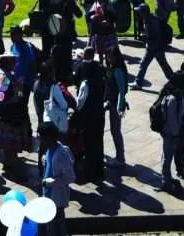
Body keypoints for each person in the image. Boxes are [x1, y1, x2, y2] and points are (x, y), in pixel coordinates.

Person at [73, 47, 107, 184]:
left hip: (86, 112)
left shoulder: (81, 67)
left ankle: (90, 171)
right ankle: (99, 170)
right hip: (98, 110)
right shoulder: (100, 68)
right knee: (98, 141)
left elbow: (76, 83)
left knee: (87, 143)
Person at [38, 122, 76, 236]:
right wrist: (45, 159)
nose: (39, 139)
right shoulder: (51, 149)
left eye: (41, 137)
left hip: (56, 199)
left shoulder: (61, 154)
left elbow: (70, 177)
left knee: (56, 228)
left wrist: (51, 182)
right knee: (52, 227)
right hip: (49, 196)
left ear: (48, 137)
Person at [155, 71, 184, 191]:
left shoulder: (172, 95)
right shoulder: (174, 99)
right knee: (167, 157)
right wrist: (175, 134)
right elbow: (173, 119)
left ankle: (167, 178)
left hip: (168, 131)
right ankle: (166, 183)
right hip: (170, 132)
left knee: (166, 156)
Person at [133, 4, 174, 88]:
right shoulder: (150, 19)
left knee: (144, 64)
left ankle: (138, 83)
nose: (138, 14)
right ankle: (174, 80)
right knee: (163, 65)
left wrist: (145, 37)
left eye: (139, 12)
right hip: (156, 47)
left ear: (143, 12)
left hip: (154, 47)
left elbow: (155, 36)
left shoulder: (150, 22)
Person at [104, 45, 129, 168]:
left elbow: (121, 90)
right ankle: (120, 156)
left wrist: (120, 107)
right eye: (107, 57)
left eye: (110, 57)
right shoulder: (112, 68)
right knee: (115, 131)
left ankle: (120, 157)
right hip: (112, 103)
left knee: (115, 131)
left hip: (115, 105)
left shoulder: (118, 70)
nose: (109, 59)